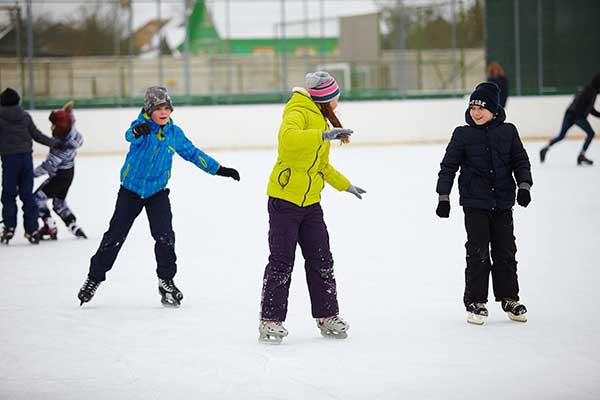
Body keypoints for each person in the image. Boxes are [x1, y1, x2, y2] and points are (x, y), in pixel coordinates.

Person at [77, 86, 240, 308]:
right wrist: (137, 132)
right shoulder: (141, 128)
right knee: (115, 236)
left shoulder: (174, 134)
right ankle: (93, 279)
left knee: (165, 237)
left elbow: (193, 154)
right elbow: (130, 135)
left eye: (167, 108)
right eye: (158, 108)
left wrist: (219, 169)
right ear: (148, 109)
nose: (164, 112)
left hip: (157, 193)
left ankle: (166, 281)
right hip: (131, 191)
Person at [258, 71, 366, 344]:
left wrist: (346, 185)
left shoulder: (319, 116)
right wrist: (324, 134)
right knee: (282, 262)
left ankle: (327, 315)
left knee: (321, 258)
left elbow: (321, 167)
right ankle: (270, 320)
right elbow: (288, 138)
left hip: (311, 204)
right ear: (325, 97)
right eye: (336, 97)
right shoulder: (297, 110)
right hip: (284, 201)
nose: (338, 103)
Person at [435, 82, 532, 325]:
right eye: (473, 108)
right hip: (475, 203)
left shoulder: (508, 131)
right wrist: (443, 197)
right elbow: (448, 167)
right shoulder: (463, 134)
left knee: (506, 251)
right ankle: (475, 301)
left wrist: (524, 186)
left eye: (482, 108)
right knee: (477, 252)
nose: (476, 113)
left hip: (502, 202)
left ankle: (509, 297)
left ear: (494, 110)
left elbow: (521, 161)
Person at [0, 87, 65, 245]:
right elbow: (37, 135)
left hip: (9, 160)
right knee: (27, 195)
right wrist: (54, 143)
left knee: (9, 194)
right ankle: (32, 229)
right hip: (26, 160)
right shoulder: (24, 116)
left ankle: (9, 227)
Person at [33, 102, 87, 240]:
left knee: (36, 199)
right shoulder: (72, 133)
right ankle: (73, 225)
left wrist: (29, 175)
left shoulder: (61, 147)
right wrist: (68, 111)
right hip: (69, 174)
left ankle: (50, 225)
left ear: (60, 129)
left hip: (58, 176)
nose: (51, 127)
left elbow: (48, 167)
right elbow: (71, 121)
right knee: (59, 203)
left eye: (54, 125)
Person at [539, 73, 600, 166]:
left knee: (561, 136)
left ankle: (545, 148)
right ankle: (581, 155)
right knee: (591, 133)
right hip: (577, 116)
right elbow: (587, 107)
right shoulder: (591, 92)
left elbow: (585, 106)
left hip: (570, 114)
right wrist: (580, 115)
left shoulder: (586, 89)